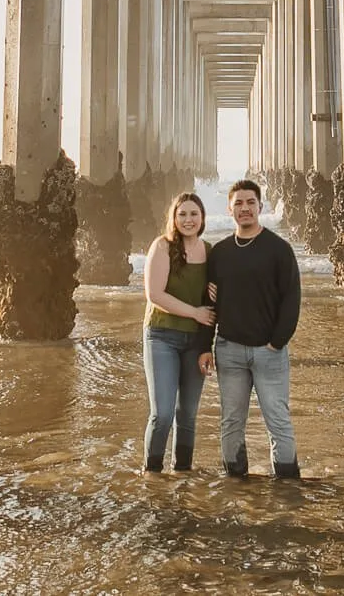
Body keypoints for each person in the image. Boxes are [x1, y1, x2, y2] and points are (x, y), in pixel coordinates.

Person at [204, 178, 301, 479]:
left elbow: (292, 297)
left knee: (278, 420)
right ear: (229, 208)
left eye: (250, 203)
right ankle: (236, 481)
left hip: (268, 351)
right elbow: (208, 303)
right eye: (239, 204)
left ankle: (287, 482)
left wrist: (277, 341)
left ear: (260, 206)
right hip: (229, 350)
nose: (244, 208)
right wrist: (206, 346)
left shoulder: (279, 249)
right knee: (231, 421)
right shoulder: (219, 252)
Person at [140, 191, 216, 473]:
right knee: (162, 415)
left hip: (195, 341)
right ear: (173, 218)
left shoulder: (209, 251)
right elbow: (154, 295)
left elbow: (215, 294)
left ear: (202, 218)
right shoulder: (162, 246)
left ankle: (182, 475)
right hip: (162, 336)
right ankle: (152, 474)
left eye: (194, 214)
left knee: (187, 416)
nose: (188, 219)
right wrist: (195, 312)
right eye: (182, 214)